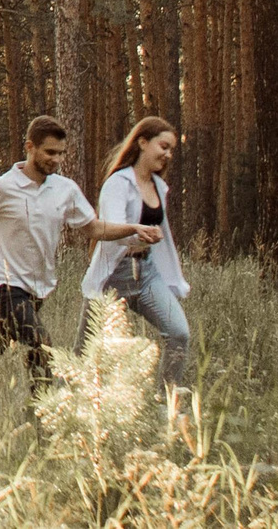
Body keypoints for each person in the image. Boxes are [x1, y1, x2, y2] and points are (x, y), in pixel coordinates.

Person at [0, 116, 158, 421]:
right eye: (50, 152)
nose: (57, 159)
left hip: (38, 288)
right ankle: (46, 418)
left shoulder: (65, 190)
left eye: (61, 153)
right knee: (40, 342)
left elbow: (93, 229)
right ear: (30, 147)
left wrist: (133, 229)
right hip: (4, 283)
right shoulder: (2, 187)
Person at [78, 115, 192, 396]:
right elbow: (108, 227)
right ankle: (65, 406)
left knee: (178, 333)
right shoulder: (118, 183)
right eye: (163, 146)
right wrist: (137, 231)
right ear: (142, 142)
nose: (167, 154)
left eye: (171, 150)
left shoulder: (158, 186)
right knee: (84, 353)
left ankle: (167, 402)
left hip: (147, 271)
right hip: (114, 274)